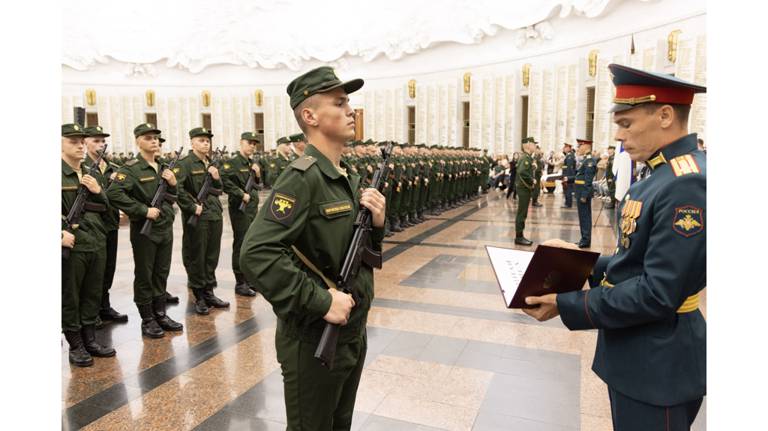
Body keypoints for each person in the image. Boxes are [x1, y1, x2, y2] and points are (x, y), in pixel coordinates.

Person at [523, 63, 706, 431]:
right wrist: (583, 262)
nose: (620, 137)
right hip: (638, 354)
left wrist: (566, 304)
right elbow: (635, 262)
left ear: (666, 115)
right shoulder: (659, 174)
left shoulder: (686, 183)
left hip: (659, 363)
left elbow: (657, 292)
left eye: (626, 123)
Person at [240, 66, 386, 431]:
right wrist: (322, 301)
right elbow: (256, 254)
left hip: (351, 329)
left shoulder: (345, 176)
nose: (350, 110)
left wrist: (379, 226)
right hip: (314, 334)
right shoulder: (302, 178)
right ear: (310, 116)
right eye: (339, 103)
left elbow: (351, 250)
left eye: (349, 102)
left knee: (339, 424)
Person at [106, 123, 184, 338]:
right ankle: (147, 318)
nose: (154, 142)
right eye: (148, 138)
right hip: (145, 230)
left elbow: (172, 196)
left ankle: (160, 313)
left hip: (164, 228)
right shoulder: (131, 168)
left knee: (161, 272)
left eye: (156, 138)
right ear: (138, 141)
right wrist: (142, 210)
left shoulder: (163, 166)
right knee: (145, 274)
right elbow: (114, 193)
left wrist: (174, 183)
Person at [61, 123, 115, 366]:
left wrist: (98, 190)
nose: (80, 145)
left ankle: (90, 340)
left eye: (82, 141)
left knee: (93, 294)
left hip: (96, 242)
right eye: (73, 141)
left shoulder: (91, 173)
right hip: (73, 246)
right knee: (71, 296)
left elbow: (108, 210)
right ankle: (75, 344)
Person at [176, 127, 230, 315]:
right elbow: (177, 189)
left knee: (211, 255)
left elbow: (219, 189)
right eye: (201, 140)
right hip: (197, 216)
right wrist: (191, 207)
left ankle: (209, 291)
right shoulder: (185, 164)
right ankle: (198, 295)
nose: (205, 143)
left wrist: (216, 177)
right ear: (192, 143)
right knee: (196, 255)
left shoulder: (210, 163)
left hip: (214, 213)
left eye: (207, 141)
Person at [83, 126, 128, 325]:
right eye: (95, 141)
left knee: (108, 268)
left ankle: (104, 305)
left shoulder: (114, 168)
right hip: (92, 227)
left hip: (110, 224)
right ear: (85, 143)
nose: (100, 145)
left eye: (102, 141)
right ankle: (91, 312)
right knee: (93, 272)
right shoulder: (82, 167)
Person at [221, 132, 262, 297]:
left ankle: (250, 279)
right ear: (241, 143)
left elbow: (259, 185)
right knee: (241, 243)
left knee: (250, 243)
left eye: (254, 144)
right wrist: (239, 193)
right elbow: (224, 181)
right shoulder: (231, 163)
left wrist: (257, 175)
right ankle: (240, 282)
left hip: (252, 207)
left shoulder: (252, 163)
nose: (252, 146)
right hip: (240, 208)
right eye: (249, 143)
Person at [574, 139, 596, 248]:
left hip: (583, 192)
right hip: (580, 191)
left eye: (580, 146)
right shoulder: (585, 160)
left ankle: (586, 240)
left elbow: (588, 180)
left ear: (586, 147)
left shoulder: (590, 161)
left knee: (585, 216)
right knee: (582, 216)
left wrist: (584, 195)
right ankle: (584, 238)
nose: (578, 148)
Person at [514, 138, 536, 245]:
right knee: (522, 213)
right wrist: (532, 180)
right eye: (533, 144)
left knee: (523, 213)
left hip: (524, 188)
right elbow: (522, 172)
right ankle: (519, 237)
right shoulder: (525, 158)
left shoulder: (527, 157)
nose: (535, 146)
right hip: (523, 188)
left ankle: (520, 235)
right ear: (527, 145)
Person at [561, 143, 576, 208]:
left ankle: (568, 204)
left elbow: (569, 168)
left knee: (568, 190)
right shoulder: (568, 155)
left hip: (568, 176)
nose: (564, 149)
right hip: (566, 175)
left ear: (569, 148)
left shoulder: (570, 156)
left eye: (565, 147)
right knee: (566, 190)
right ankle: (567, 203)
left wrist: (567, 177)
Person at [605, 145, 617, 209]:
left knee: (612, 190)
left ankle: (612, 204)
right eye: (608, 149)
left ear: (613, 149)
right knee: (610, 190)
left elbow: (612, 169)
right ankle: (612, 202)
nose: (608, 150)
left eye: (610, 149)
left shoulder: (614, 157)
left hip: (611, 177)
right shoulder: (610, 157)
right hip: (608, 176)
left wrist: (610, 177)